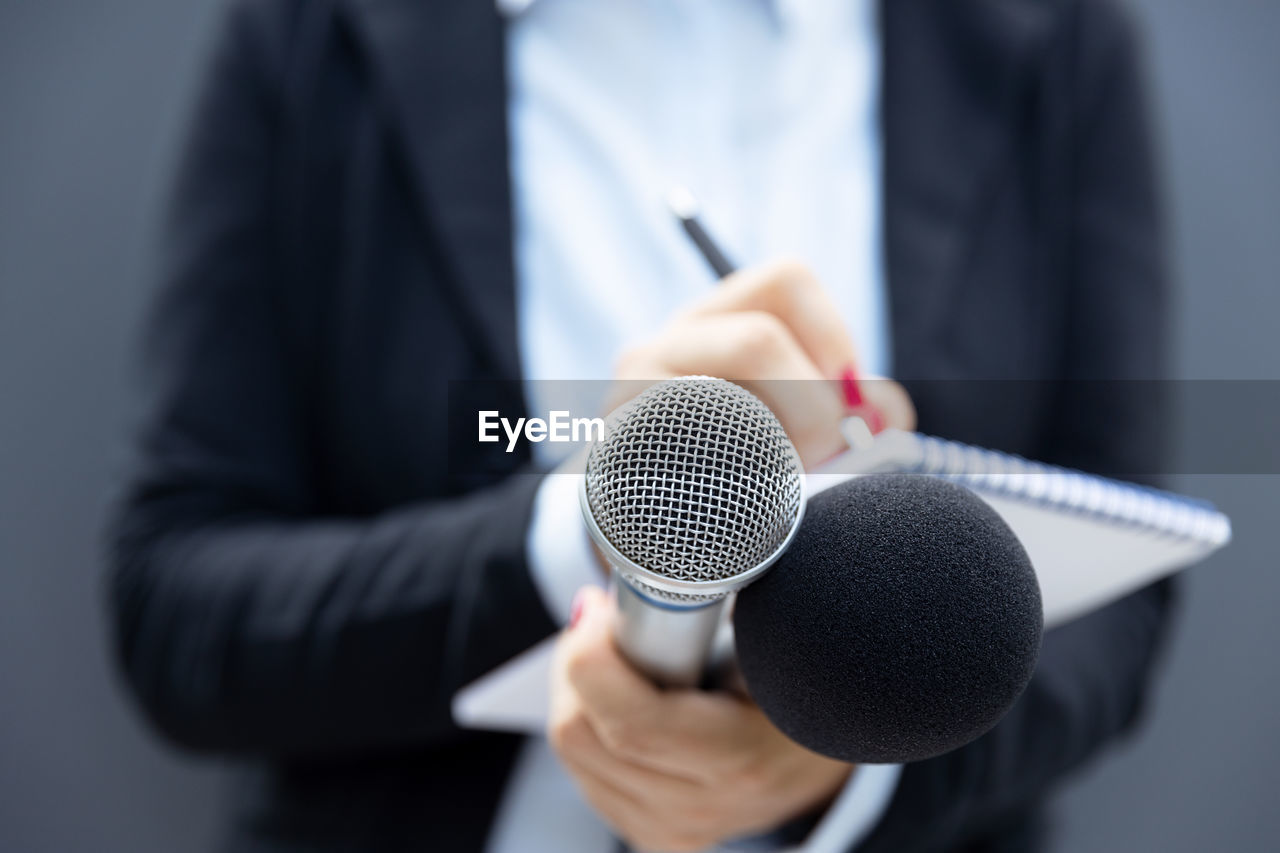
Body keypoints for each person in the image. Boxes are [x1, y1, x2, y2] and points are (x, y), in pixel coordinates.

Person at [107, 0, 1176, 850]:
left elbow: (1116, 608)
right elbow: (180, 603)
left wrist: (846, 766)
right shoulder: (317, 34)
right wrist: (600, 521)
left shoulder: (1051, 38)